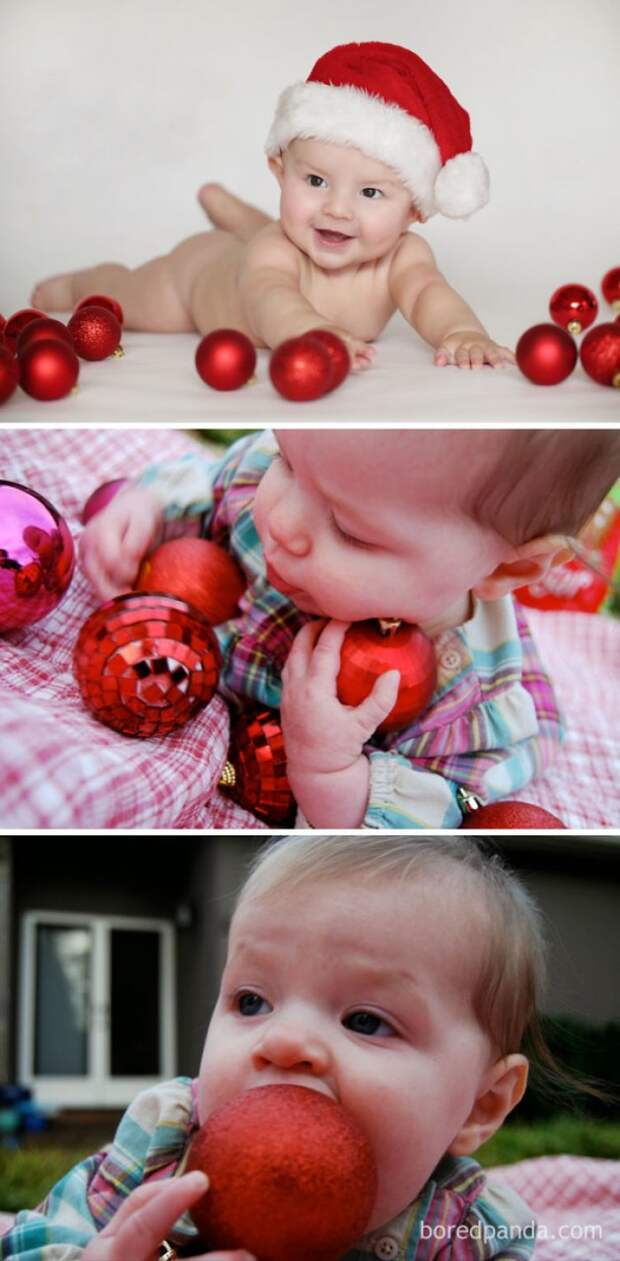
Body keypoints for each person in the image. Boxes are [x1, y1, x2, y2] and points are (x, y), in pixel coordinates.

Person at [0, 833, 552, 1260]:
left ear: (481, 1106)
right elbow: (34, 1239)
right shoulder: (159, 1151)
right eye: (251, 1002)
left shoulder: (471, 1232)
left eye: (365, 1020)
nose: (283, 1040)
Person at [79, 427, 620, 829]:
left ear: (507, 569)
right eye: (288, 463)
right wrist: (147, 505)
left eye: (350, 531)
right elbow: (212, 479)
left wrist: (333, 774)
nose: (283, 522)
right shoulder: (313, 468)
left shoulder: (470, 710)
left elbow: (442, 814)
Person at [33, 41, 515, 372]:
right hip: (197, 280)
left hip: (248, 249)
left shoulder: (404, 257)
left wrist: (461, 332)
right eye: (315, 180)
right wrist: (312, 331)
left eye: (370, 193)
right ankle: (80, 281)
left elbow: (428, 293)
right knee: (134, 297)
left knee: (265, 230)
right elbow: (270, 300)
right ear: (279, 171)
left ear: (416, 211)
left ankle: (226, 209)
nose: (338, 209)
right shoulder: (275, 250)